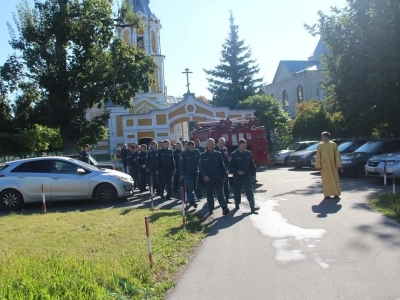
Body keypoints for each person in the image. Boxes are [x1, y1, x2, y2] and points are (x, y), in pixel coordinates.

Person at [199, 138, 230, 215]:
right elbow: (200, 167)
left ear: (214, 144)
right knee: (210, 194)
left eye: (212, 144)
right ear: (207, 145)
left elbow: (222, 166)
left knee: (220, 194)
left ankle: (224, 208)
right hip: (208, 179)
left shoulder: (218, 154)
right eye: (209, 144)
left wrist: (224, 176)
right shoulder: (202, 155)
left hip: (218, 177)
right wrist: (204, 176)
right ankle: (210, 209)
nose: (211, 145)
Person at [230, 139, 259, 214]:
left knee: (249, 191)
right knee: (237, 191)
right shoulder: (234, 154)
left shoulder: (248, 153)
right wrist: (237, 171)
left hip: (247, 175)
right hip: (238, 176)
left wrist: (254, 174)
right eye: (242, 146)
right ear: (238, 145)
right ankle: (237, 204)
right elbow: (230, 166)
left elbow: (252, 165)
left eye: (245, 146)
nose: (244, 147)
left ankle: (252, 207)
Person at [314, 131, 342, 199]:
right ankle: (327, 194)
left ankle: (336, 193)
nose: (321, 138)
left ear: (326, 137)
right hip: (324, 166)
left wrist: (338, 165)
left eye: (322, 136)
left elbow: (337, 155)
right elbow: (318, 156)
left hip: (333, 165)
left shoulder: (333, 144)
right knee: (326, 180)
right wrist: (318, 165)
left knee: (334, 179)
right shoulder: (320, 146)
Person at [180, 141, 201, 209]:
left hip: (195, 172)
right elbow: (181, 165)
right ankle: (193, 201)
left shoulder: (197, 152)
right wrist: (181, 173)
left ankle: (192, 201)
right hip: (187, 173)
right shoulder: (183, 154)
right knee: (191, 186)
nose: (192, 148)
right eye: (191, 147)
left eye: (193, 147)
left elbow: (200, 161)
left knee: (194, 187)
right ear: (188, 146)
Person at [215, 137, 231, 204]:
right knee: (218, 185)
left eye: (223, 143)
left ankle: (227, 198)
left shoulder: (225, 149)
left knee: (226, 184)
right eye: (221, 143)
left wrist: (228, 168)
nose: (222, 144)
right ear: (218, 143)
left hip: (224, 169)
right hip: (216, 170)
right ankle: (218, 197)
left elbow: (227, 159)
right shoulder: (214, 149)